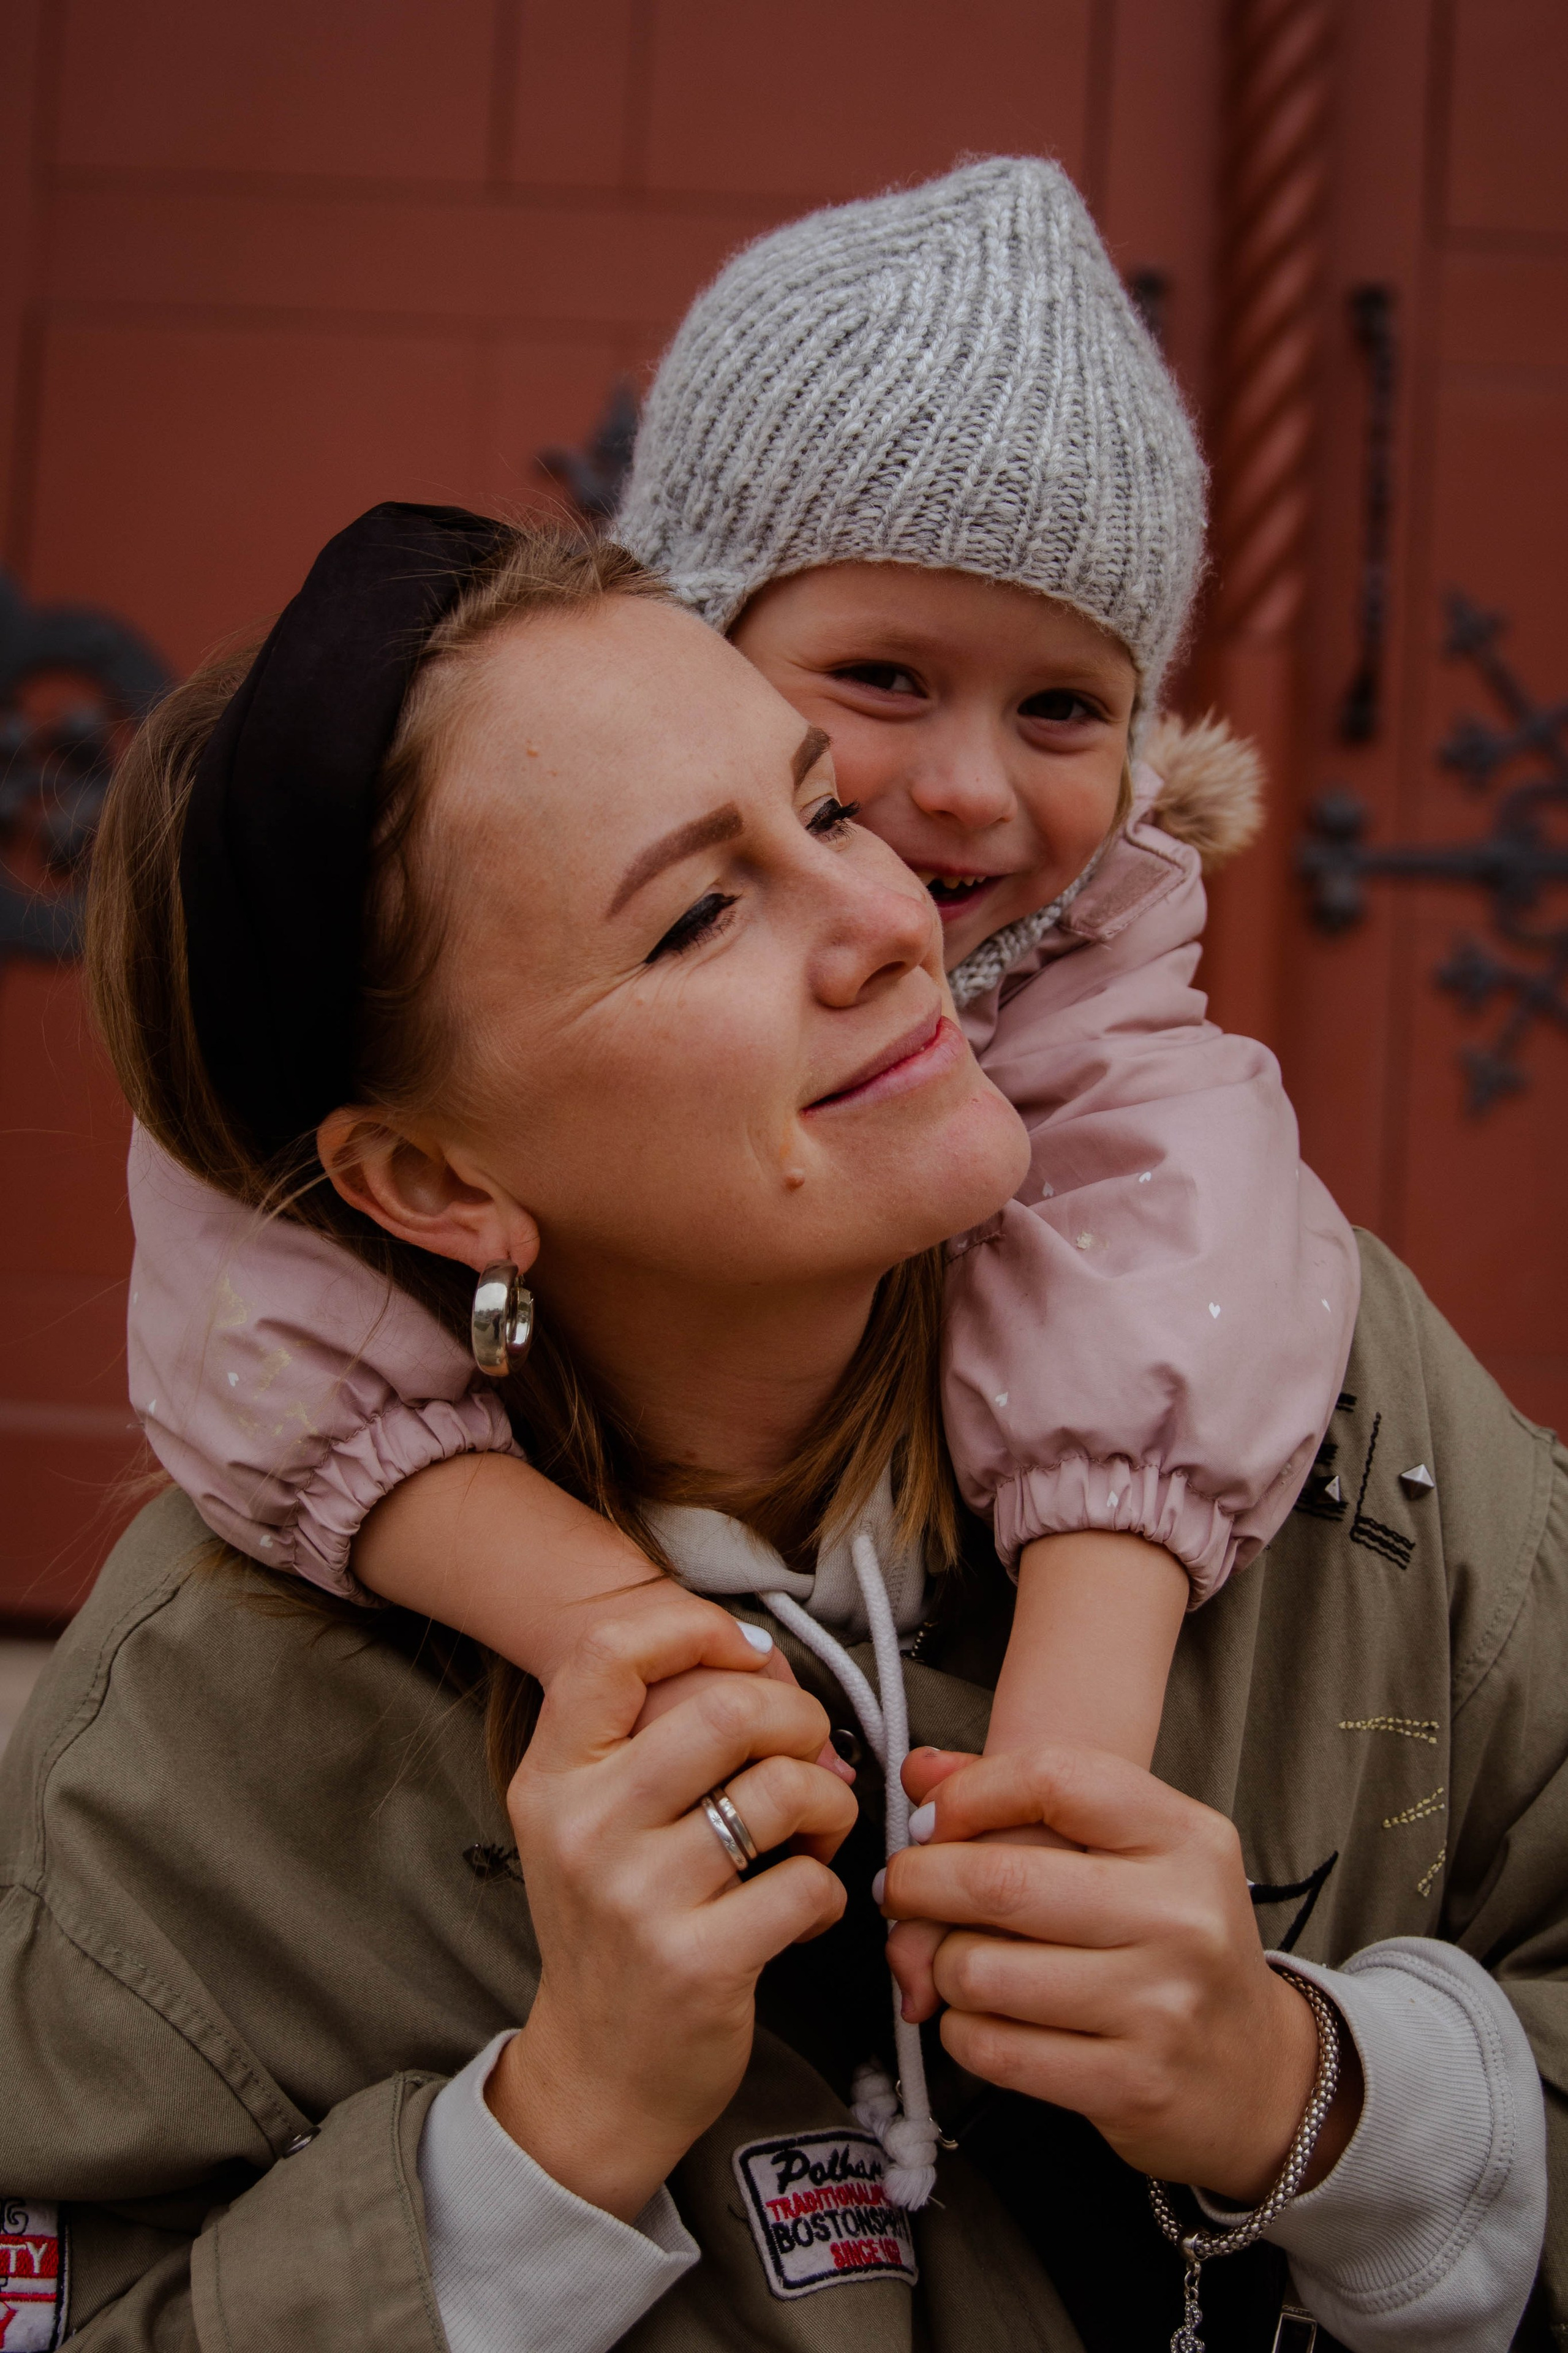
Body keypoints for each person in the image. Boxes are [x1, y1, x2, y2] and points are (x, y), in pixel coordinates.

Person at [0, 505, 1551, 2353]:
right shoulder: (181, 1757)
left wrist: (1316, 2089)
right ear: (430, 1176)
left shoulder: (1334, 1395)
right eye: (698, 913)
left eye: (822, 808)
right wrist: (546, 2144)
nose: (895, 920)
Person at [121, 158, 1357, 1872]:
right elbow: (238, 1215)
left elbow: (1185, 1222)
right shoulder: (447, 911)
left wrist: (1079, 1706)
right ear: (689, 642)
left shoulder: (1109, 946)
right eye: (886, 683)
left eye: (1066, 706)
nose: (971, 794)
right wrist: (584, 1601)